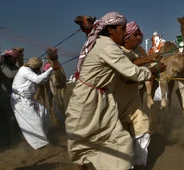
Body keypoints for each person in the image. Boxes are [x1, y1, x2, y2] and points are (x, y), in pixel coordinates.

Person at [65, 12, 166, 170]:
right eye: (122, 28)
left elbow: (130, 60)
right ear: (111, 30)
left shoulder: (108, 46)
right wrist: (154, 70)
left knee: (120, 140)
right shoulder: (107, 47)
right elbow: (131, 72)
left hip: (103, 100)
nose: (125, 32)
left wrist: (149, 60)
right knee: (81, 142)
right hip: (86, 101)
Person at [113, 21, 163, 167]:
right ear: (126, 38)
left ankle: (138, 163)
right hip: (115, 104)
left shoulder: (133, 54)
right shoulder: (115, 54)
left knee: (143, 127)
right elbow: (128, 74)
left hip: (132, 103)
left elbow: (134, 60)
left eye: (139, 34)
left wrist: (151, 58)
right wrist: (154, 69)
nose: (140, 37)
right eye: (136, 34)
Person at [10, 57, 60, 150]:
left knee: (43, 114)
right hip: (20, 100)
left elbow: (42, 81)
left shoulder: (32, 71)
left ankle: (42, 138)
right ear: (35, 66)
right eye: (38, 68)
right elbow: (38, 80)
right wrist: (51, 69)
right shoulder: (24, 70)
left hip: (29, 99)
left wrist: (49, 71)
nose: (38, 70)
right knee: (35, 121)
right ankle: (39, 144)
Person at [0, 49, 20, 146]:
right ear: (8, 58)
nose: (16, 60)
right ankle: (6, 142)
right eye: (14, 58)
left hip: (7, 96)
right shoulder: (2, 65)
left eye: (17, 58)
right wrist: (22, 69)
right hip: (1, 97)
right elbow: (10, 74)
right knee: (6, 119)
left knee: (9, 119)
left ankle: (9, 140)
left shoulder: (11, 66)